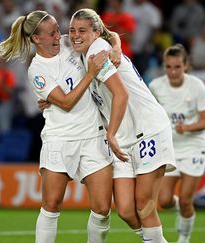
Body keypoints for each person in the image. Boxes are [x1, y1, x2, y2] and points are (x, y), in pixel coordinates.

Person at [0, 10, 121, 243]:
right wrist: (90, 74)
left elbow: (105, 33)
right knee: (51, 205)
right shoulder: (37, 70)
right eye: (52, 33)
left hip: (93, 135)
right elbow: (66, 102)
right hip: (59, 138)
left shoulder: (68, 43)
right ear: (36, 39)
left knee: (102, 208)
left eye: (58, 30)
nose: (59, 36)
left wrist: (117, 47)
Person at [69, 8, 176, 243]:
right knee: (126, 210)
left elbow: (121, 94)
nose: (76, 35)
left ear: (96, 33)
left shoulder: (96, 51)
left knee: (144, 205)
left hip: (147, 130)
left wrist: (110, 133)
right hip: (123, 138)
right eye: (72, 30)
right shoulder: (83, 55)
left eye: (82, 30)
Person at [148, 44, 205, 243]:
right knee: (164, 200)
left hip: (194, 145)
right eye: (168, 67)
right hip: (170, 148)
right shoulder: (156, 86)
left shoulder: (197, 86)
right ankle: (180, 211)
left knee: (186, 200)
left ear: (186, 65)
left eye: (177, 67)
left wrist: (188, 127)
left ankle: (184, 237)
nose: (173, 72)